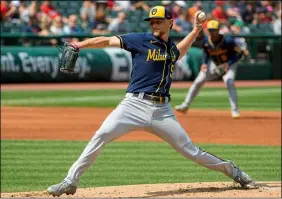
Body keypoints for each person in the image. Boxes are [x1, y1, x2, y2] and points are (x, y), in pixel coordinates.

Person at [47, 6, 255, 197]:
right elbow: (106, 40)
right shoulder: (139, 39)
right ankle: (70, 181)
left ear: (169, 22)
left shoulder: (170, 49)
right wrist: (79, 44)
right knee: (101, 135)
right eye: (152, 21)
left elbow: (179, 52)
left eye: (158, 20)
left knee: (190, 151)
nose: (154, 24)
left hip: (162, 111)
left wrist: (196, 30)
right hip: (132, 106)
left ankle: (235, 172)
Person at [175, 20, 244, 118]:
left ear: (218, 30)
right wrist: (204, 63)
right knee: (198, 81)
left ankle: (235, 111)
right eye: (210, 30)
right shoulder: (206, 40)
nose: (212, 32)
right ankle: (185, 105)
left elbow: (239, 53)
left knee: (230, 82)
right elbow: (206, 53)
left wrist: (228, 64)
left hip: (229, 64)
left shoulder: (228, 40)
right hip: (214, 64)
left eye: (214, 30)